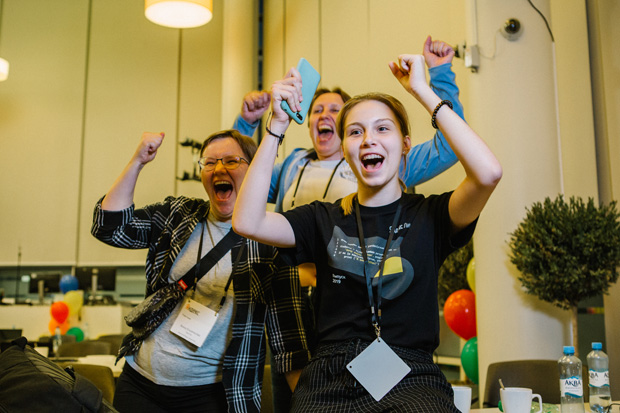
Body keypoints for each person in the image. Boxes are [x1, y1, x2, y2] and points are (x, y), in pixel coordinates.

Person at [232, 45, 502, 411]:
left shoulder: (431, 216)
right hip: (329, 377)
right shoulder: (321, 218)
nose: (369, 139)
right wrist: (276, 125)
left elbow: (488, 173)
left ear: (405, 145)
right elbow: (247, 221)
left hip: (411, 374)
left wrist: (423, 91)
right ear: (344, 150)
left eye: (383, 128)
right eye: (355, 132)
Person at [91, 130, 310, 413]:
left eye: (231, 160)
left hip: (211, 396)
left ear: (255, 169)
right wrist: (137, 162)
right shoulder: (179, 215)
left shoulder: (273, 241)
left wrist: (312, 405)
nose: (219, 168)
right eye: (210, 162)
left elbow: (290, 346)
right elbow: (109, 228)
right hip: (139, 385)